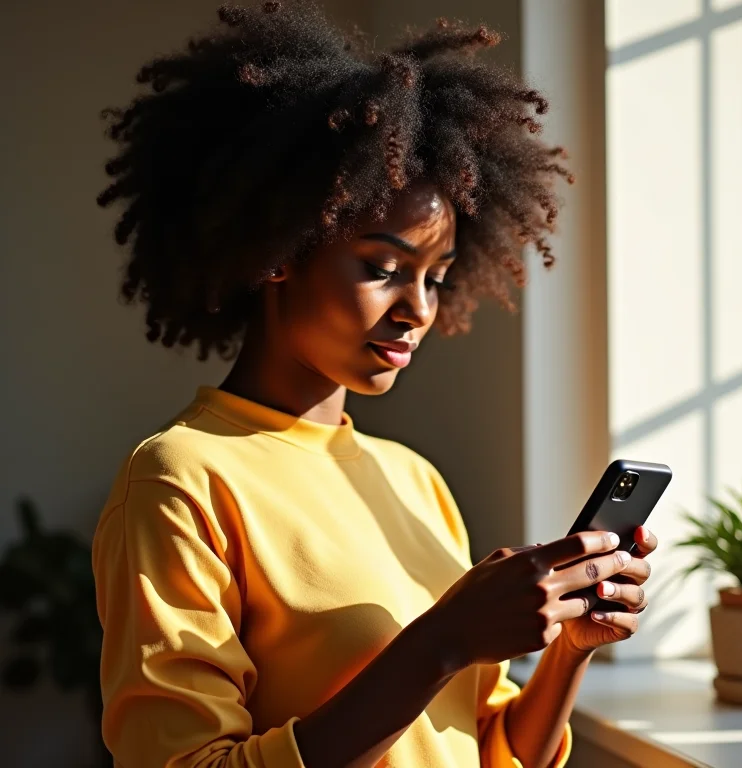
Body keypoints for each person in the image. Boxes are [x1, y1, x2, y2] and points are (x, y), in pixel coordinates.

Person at [92, 3, 657, 767]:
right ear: (277, 250)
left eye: (436, 277)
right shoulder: (181, 479)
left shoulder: (415, 481)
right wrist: (444, 640)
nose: (417, 310)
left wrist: (570, 653)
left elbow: (486, 749)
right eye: (383, 269)